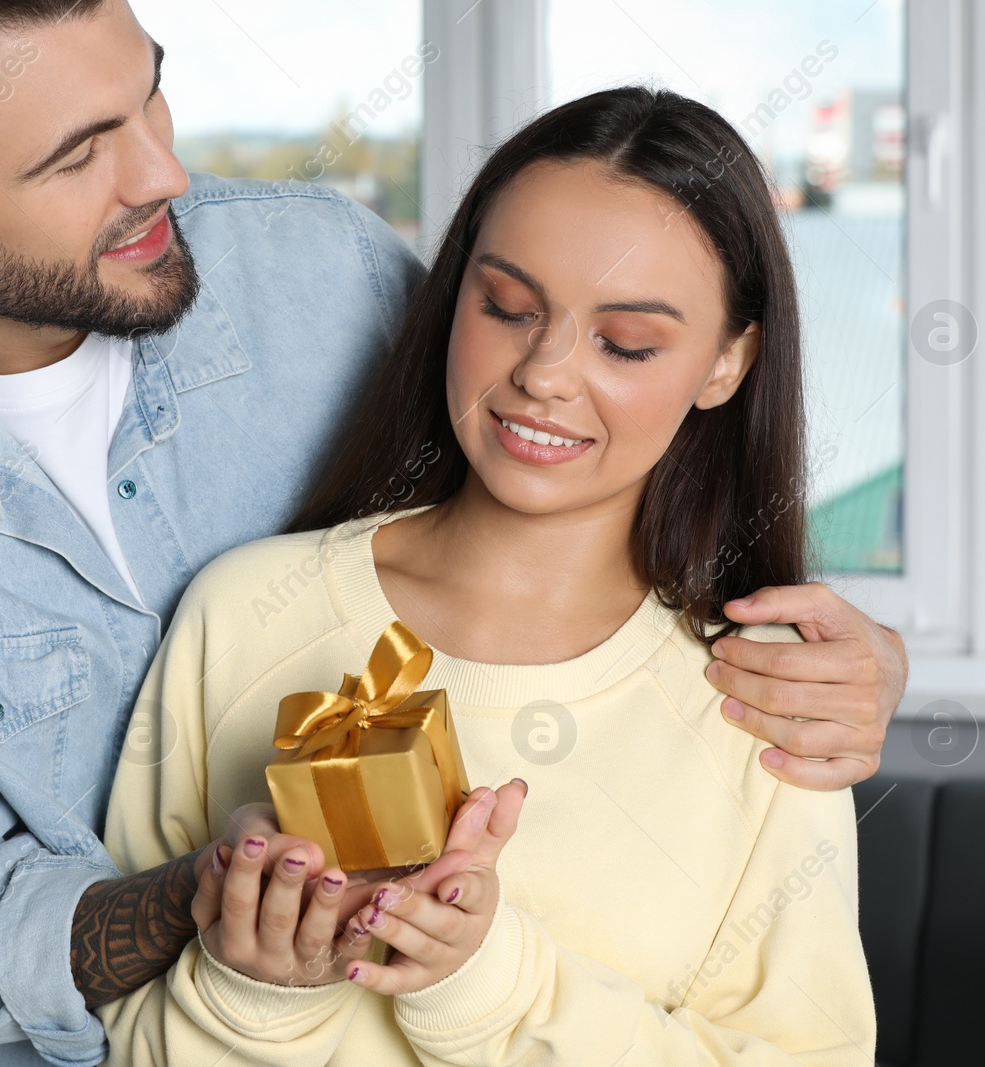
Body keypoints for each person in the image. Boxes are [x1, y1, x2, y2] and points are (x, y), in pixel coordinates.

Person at [0, 1, 903, 1063]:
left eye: (149, 94)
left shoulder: (321, 266)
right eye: (75, 157)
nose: (164, 174)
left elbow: (577, 423)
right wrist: (237, 912)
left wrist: (846, 658)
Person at [98, 87, 877, 1065]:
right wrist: (253, 987)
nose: (543, 371)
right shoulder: (243, 613)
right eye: (507, 306)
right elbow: (117, 1031)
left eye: (625, 342)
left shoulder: (768, 697)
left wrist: (489, 983)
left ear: (726, 362)